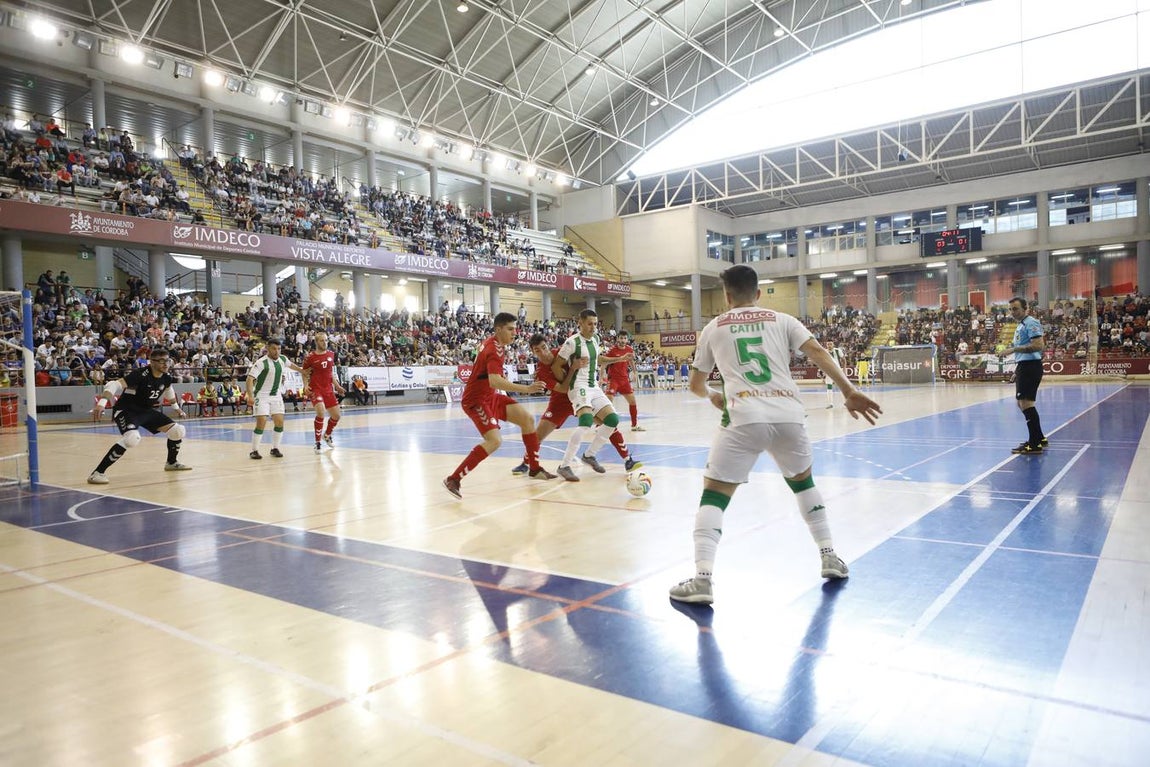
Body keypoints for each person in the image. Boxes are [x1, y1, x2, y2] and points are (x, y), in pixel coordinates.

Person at [668, 265, 882, 605]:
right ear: (757, 293)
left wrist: (712, 395)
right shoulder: (783, 319)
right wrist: (848, 390)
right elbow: (818, 353)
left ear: (727, 296)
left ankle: (703, 579)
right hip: (788, 416)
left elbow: (696, 384)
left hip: (744, 417)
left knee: (714, 495)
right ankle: (829, 556)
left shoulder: (712, 327)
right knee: (803, 483)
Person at [442, 313, 556, 499]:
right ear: (498, 329)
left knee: (527, 419)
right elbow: (495, 381)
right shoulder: (493, 350)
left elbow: (492, 382)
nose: (515, 332)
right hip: (476, 401)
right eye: (510, 329)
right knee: (495, 441)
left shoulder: (497, 344)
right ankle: (453, 479)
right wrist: (527, 389)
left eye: (515, 328)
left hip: (489, 396)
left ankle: (534, 468)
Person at [510, 334, 642, 476]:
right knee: (539, 435)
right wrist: (572, 369)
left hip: (580, 395)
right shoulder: (541, 372)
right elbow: (563, 389)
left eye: (544, 347)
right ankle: (526, 463)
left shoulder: (562, 352)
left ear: (548, 346)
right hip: (560, 403)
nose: (543, 352)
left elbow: (592, 359)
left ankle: (627, 460)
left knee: (609, 422)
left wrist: (619, 359)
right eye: (537, 350)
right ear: (533, 352)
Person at [87, 347, 192, 484]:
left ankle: (171, 463)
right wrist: (102, 402)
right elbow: (114, 385)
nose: (165, 364)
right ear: (151, 362)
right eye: (161, 361)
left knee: (178, 430)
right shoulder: (140, 374)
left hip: (146, 411)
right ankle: (97, 473)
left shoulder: (166, 377)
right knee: (132, 439)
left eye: (167, 360)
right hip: (126, 410)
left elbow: (169, 391)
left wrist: (177, 409)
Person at [551, 309, 625, 482]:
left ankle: (590, 454)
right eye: (590, 323)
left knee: (612, 420)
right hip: (579, 386)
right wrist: (569, 378)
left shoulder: (596, 339)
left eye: (595, 323)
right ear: (581, 323)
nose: (593, 327)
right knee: (585, 421)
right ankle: (564, 465)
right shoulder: (572, 342)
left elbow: (597, 359)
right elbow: (556, 366)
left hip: (594, 387)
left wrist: (619, 359)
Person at [1004, 296, 1048, 454]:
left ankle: (1034, 444)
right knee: (1021, 403)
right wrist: (1017, 371)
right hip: (1024, 366)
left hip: (1031, 367)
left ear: (1025, 308)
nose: (1012, 312)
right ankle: (1039, 438)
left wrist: (1014, 350)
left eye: (1015, 308)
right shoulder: (1020, 325)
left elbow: (1038, 345)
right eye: (1010, 309)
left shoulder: (1031, 322)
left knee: (1026, 404)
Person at [247, 339, 302, 459]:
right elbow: (250, 379)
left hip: (276, 396)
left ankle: (275, 448)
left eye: (279, 349)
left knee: (279, 422)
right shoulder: (261, 362)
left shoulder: (282, 359)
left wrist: (302, 371)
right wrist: (250, 395)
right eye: (274, 349)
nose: (276, 351)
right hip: (261, 396)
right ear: (267, 348)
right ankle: (254, 450)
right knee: (261, 422)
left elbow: (291, 365)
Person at [302, 331, 346, 453]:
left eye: (326, 340)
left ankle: (327, 435)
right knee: (321, 412)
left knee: (336, 416)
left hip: (328, 389)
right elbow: (305, 373)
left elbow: (330, 373)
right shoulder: (310, 357)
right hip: (315, 389)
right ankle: (317, 443)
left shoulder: (331, 354)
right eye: (322, 340)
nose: (325, 342)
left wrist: (337, 386)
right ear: (316, 342)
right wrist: (305, 385)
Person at [602, 331, 644, 431]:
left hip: (624, 380)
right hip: (613, 380)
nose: (623, 340)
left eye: (625, 338)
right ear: (617, 339)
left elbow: (631, 361)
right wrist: (602, 375)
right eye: (621, 338)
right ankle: (600, 426)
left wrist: (635, 372)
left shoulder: (629, 349)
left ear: (627, 339)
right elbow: (604, 361)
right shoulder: (612, 350)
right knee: (608, 402)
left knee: (632, 402)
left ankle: (634, 426)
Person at [823, 339, 845, 408]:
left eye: (830, 344)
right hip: (829, 371)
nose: (829, 345)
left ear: (833, 344)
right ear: (826, 345)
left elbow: (844, 359)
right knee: (829, 387)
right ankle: (830, 403)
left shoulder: (838, 350)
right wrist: (824, 373)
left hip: (838, 371)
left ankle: (846, 402)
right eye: (828, 344)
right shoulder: (824, 351)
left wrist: (844, 369)